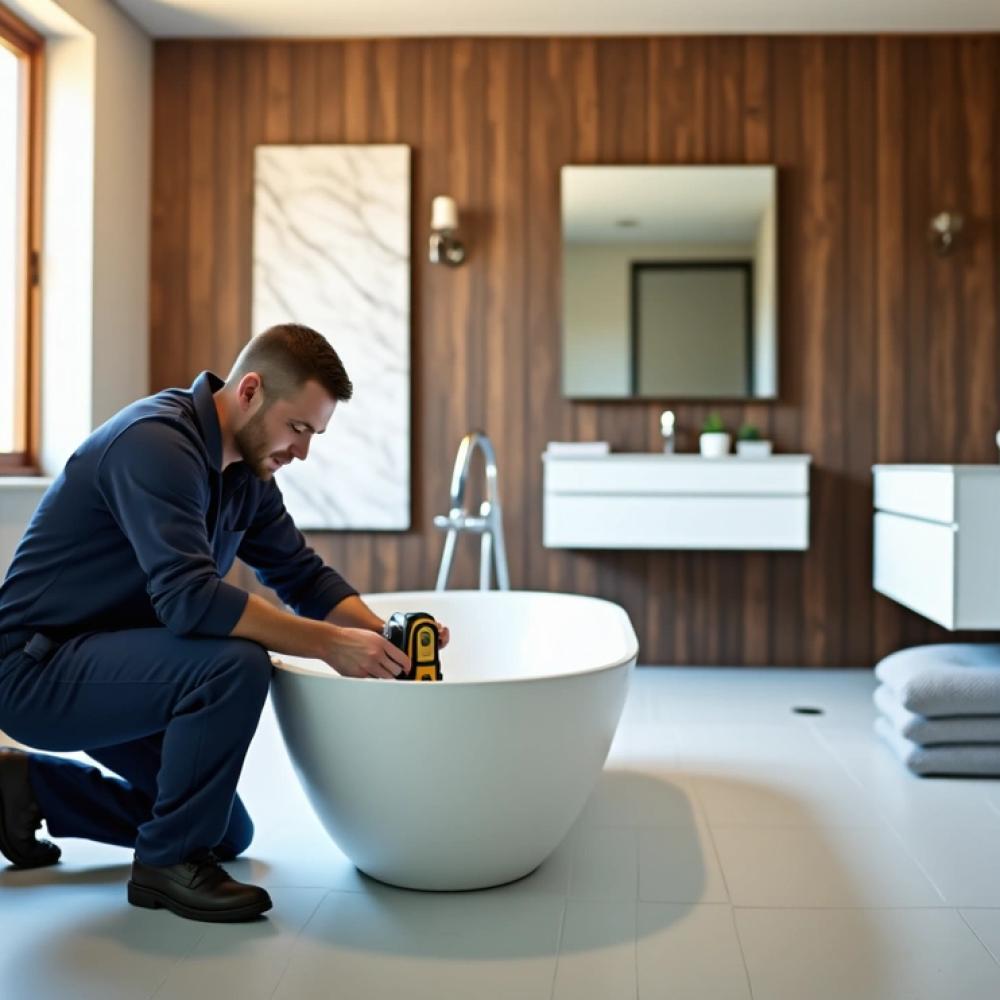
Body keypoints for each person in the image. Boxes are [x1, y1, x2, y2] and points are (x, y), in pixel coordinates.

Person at [0, 322, 449, 923]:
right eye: (298, 428)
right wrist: (328, 645)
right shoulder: (154, 443)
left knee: (225, 831)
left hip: (111, 664)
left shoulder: (247, 475)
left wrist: (382, 634)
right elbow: (189, 600)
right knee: (234, 663)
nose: (303, 450)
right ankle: (165, 868)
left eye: (314, 434)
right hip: (36, 669)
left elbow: (302, 577)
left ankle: (25, 790)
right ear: (250, 391)